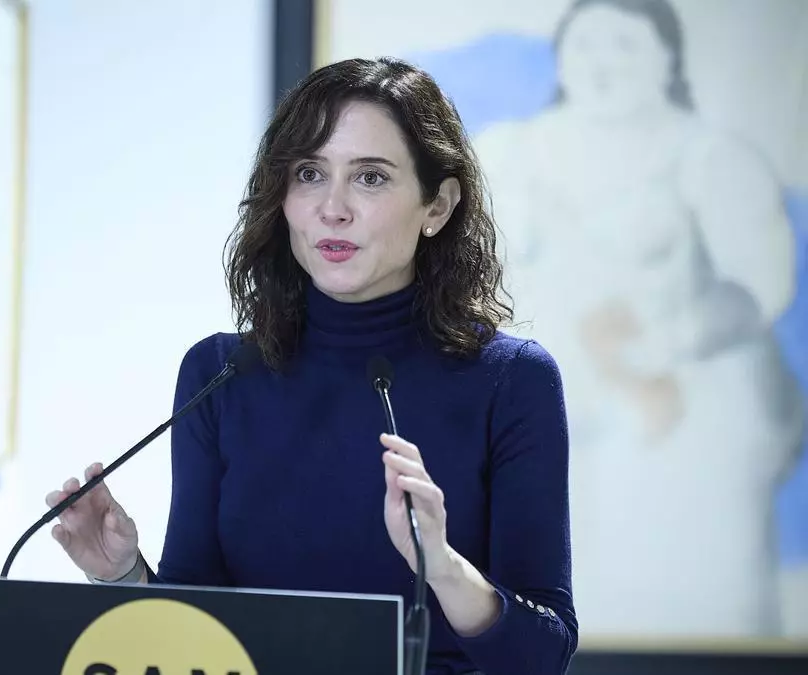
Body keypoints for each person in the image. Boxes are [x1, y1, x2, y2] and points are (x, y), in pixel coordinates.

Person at [45, 57, 577, 674]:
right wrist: (121, 576)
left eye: (370, 177)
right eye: (309, 174)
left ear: (437, 205)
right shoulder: (219, 374)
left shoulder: (512, 380)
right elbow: (198, 629)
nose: (333, 208)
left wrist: (442, 565)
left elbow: (544, 652)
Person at [474, 0, 803, 637]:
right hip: (545, 400)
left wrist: (667, 342)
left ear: (668, 58)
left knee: (690, 582)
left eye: (625, 45)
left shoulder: (710, 156)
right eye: (586, 45)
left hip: (681, 399)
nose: (603, 63)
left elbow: (762, 281)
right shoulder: (508, 152)